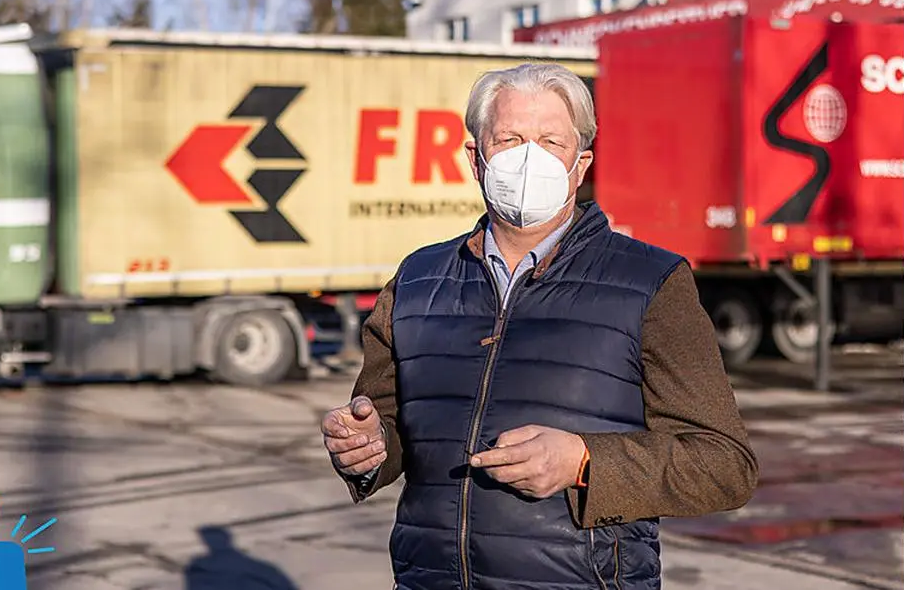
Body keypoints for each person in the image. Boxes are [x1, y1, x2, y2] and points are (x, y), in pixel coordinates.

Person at [321, 64, 759, 590]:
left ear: (580, 164)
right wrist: (365, 449)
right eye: (509, 139)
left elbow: (724, 466)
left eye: (551, 141)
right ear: (475, 159)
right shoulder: (416, 281)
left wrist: (584, 460)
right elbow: (389, 435)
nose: (529, 157)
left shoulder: (651, 282)